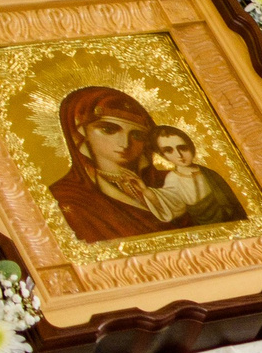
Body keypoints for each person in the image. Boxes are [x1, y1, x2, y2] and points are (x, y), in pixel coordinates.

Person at [48, 86, 170, 242]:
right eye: (109, 129)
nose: (125, 143)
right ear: (81, 130)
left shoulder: (168, 182)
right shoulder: (67, 197)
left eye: (137, 135)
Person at [142, 125, 245, 228]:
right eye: (169, 150)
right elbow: (171, 204)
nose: (179, 155)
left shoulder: (210, 173)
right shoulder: (173, 178)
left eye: (183, 148)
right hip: (203, 227)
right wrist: (145, 190)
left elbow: (232, 203)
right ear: (163, 155)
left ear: (191, 147)